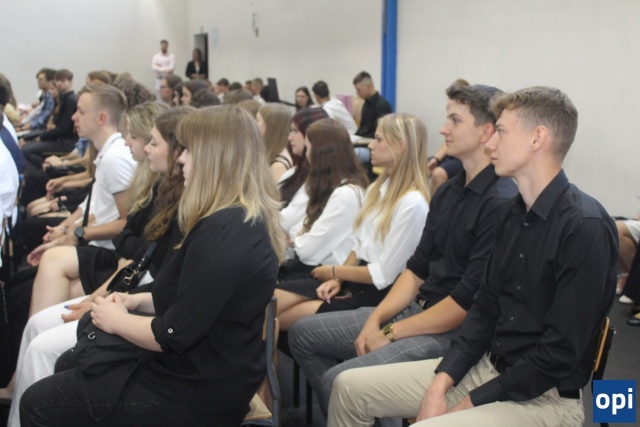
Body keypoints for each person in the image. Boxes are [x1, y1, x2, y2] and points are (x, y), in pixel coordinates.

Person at [327, 86, 618, 427]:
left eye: (502, 132)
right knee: (347, 388)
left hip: (544, 398)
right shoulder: (511, 214)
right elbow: (483, 311)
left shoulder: (585, 227)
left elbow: (557, 355)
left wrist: (470, 401)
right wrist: (442, 382)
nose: (491, 144)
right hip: (486, 368)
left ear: (537, 138)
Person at [20, 105, 287, 426]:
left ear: (215, 157)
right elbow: (184, 298)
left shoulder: (225, 233)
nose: (181, 158)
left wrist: (118, 320)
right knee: (70, 362)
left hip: (196, 392)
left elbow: (173, 334)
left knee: (37, 403)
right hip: (198, 371)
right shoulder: (228, 220)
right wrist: (134, 301)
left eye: (189, 150)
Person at [289, 83, 516, 415]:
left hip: (449, 331)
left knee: (339, 381)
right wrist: (377, 319)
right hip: (414, 311)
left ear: (486, 132)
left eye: (454, 120)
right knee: (301, 334)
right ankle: (367, 415)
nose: (443, 129)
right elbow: (416, 269)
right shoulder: (449, 191)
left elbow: (465, 304)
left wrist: (391, 332)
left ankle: (361, 411)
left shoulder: (500, 202)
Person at [1, 107, 190, 426]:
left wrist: (100, 303)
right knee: (36, 323)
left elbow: (147, 270)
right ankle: (19, 392)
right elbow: (133, 252)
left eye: (150, 142)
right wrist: (98, 299)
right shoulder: (162, 189)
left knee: (42, 347)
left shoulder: (189, 209)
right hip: (133, 289)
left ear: (176, 151)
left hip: (142, 305)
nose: (138, 146)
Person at [275, 113, 430, 330]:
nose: (371, 146)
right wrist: (337, 280)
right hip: (354, 282)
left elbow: (384, 274)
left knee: (284, 320)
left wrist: (335, 272)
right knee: (271, 309)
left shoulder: (412, 204)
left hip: (379, 298)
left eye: (378, 139)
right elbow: (358, 247)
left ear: (400, 146)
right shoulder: (378, 189)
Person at [278, 118, 368, 284]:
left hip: (329, 277)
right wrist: (302, 236)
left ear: (320, 155)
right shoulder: (332, 186)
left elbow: (306, 252)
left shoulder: (345, 195)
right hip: (317, 269)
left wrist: (298, 238)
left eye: (308, 149)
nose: (306, 155)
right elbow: (301, 227)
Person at [279, 108, 329, 233]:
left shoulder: (317, 180)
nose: (289, 137)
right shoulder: (294, 171)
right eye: (290, 131)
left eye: (295, 131)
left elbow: (284, 222)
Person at [21, 69, 78, 170]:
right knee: (26, 146)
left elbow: (63, 129)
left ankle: (49, 169)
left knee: (26, 150)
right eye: (58, 80)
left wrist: (42, 137)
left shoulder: (70, 101)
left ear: (70, 82)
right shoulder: (62, 99)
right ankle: (46, 168)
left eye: (62, 81)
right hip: (58, 138)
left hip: (65, 142)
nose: (59, 83)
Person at [256, 103, 294, 181]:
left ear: (270, 126)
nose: (254, 123)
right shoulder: (270, 152)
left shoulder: (279, 165)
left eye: (257, 120)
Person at [353, 71, 392, 138]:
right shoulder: (366, 104)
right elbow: (364, 128)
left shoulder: (382, 105)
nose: (357, 93)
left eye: (359, 90)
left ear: (369, 86)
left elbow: (382, 132)